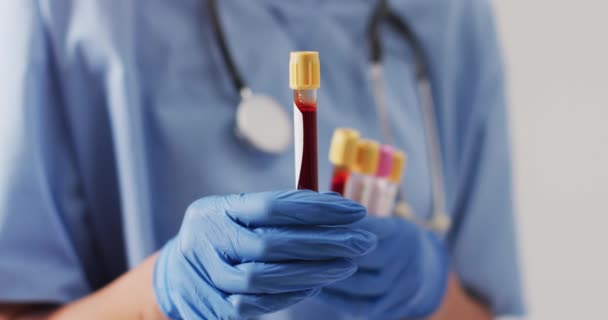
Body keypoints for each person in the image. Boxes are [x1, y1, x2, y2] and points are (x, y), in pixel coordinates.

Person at [0, 0, 524, 319]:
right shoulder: (69, 15)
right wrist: (159, 296)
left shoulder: (451, 17)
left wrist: (426, 291)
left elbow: (480, 310)